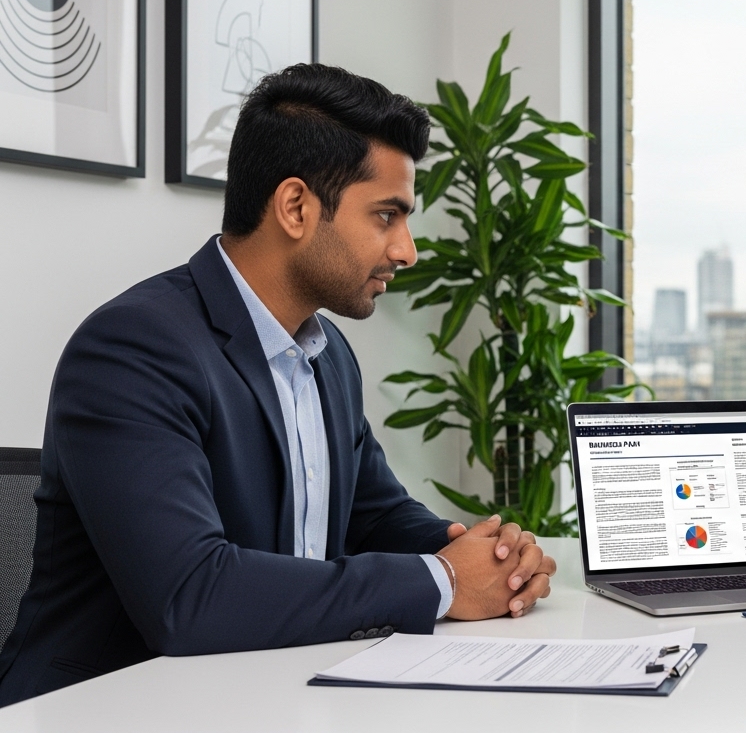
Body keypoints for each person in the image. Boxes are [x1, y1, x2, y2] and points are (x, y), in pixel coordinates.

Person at [0, 64, 556, 705]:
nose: (406, 251)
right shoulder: (133, 348)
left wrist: (487, 559)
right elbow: (191, 595)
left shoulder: (325, 353)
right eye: (385, 216)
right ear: (295, 207)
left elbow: (375, 515)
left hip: (269, 692)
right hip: (106, 710)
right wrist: (441, 583)